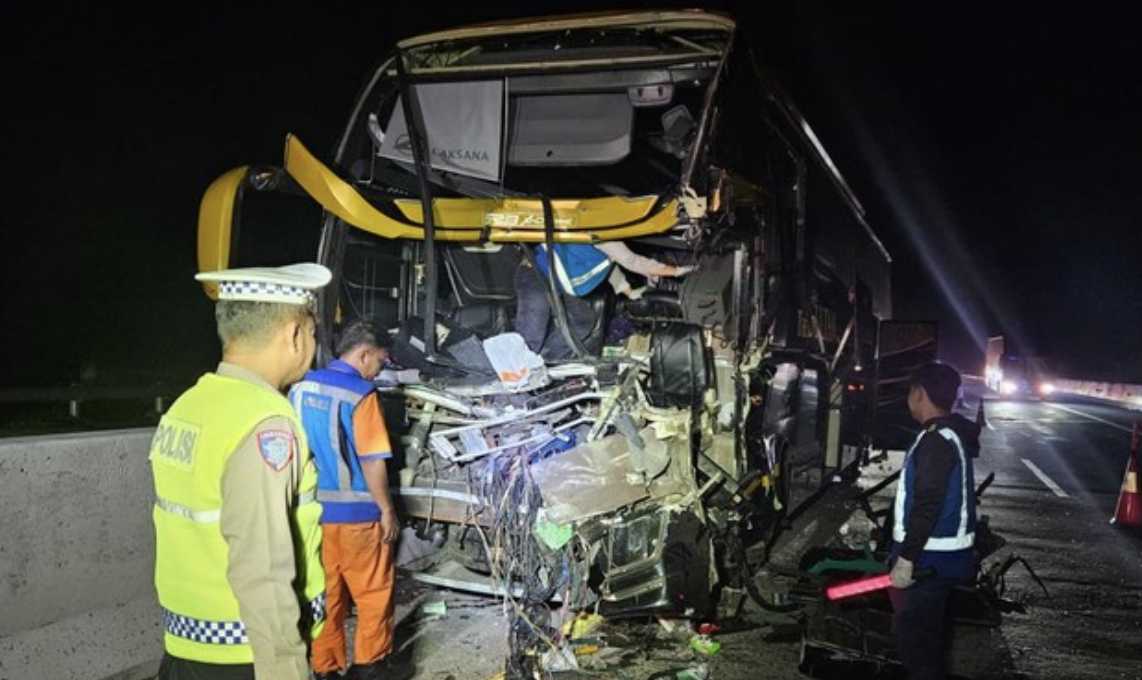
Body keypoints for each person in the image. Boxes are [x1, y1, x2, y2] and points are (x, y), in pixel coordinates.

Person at [150, 263, 332, 680]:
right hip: (248, 655)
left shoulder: (189, 406)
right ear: (293, 334)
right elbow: (263, 566)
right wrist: (287, 670)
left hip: (186, 648)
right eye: (312, 332)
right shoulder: (264, 423)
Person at [289, 319, 399, 680]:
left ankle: (326, 669)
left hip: (312, 515)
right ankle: (369, 667)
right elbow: (372, 462)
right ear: (364, 354)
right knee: (372, 595)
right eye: (379, 362)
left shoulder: (300, 389)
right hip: (358, 518)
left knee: (325, 596)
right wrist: (386, 510)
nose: (377, 371)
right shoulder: (362, 396)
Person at [889, 361, 981, 680]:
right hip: (942, 559)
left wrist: (907, 559)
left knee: (918, 648)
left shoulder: (936, 441)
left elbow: (927, 503)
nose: (908, 399)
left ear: (920, 394)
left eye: (910, 392)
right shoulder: (949, 434)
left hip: (929, 561)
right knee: (926, 643)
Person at [515, 241, 692, 358]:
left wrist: (629, 292)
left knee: (583, 321)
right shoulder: (604, 232)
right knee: (531, 335)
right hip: (536, 276)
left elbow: (608, 266)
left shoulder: (608, 243)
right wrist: (675, 271)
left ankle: (546, 361)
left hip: (560, 284)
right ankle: (507, 380)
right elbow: (634, 262)